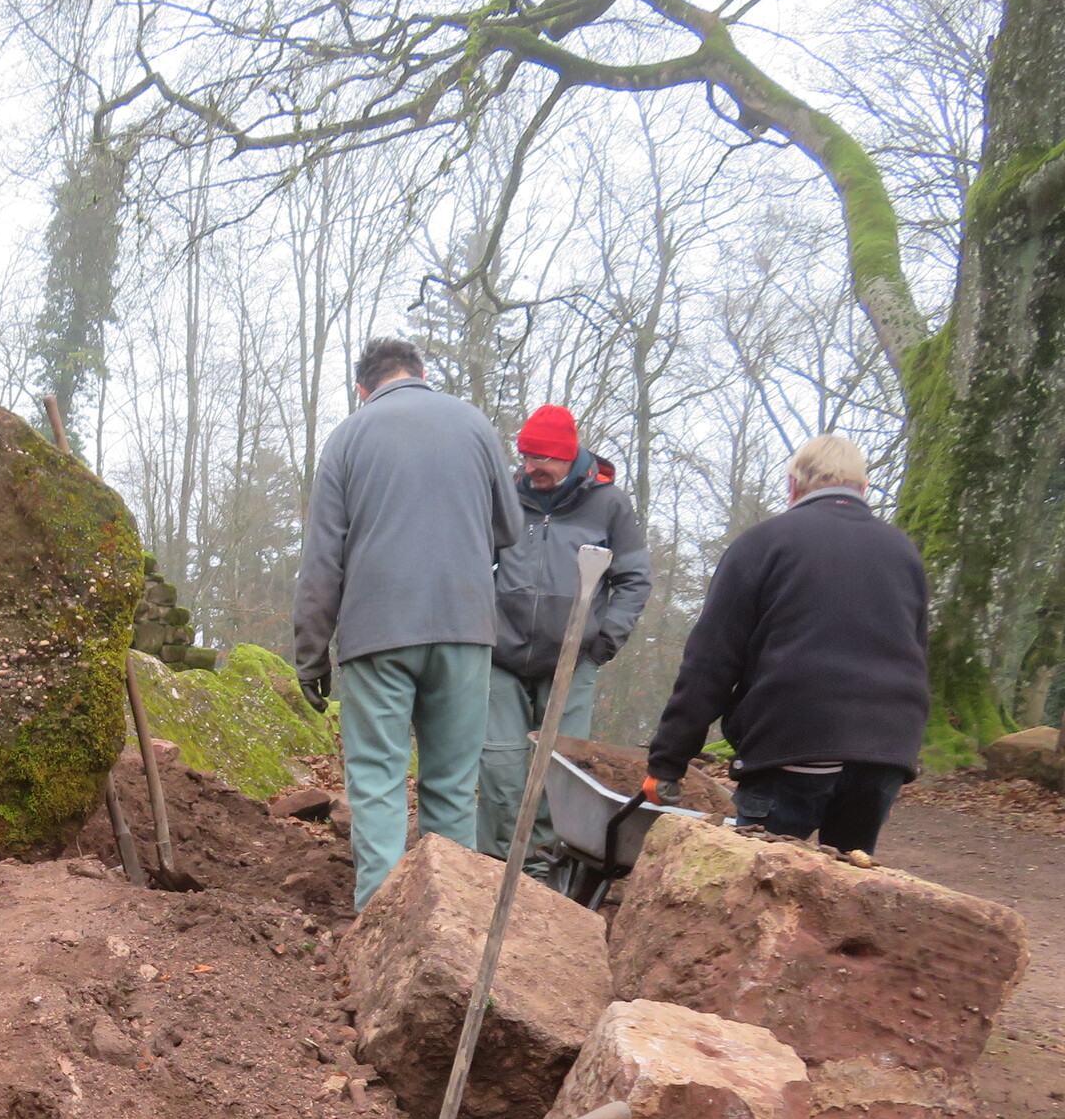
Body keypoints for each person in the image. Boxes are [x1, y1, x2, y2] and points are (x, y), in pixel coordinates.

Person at [293, 335, 521, 912]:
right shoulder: (474, 425)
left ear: (362, 389)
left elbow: (322, 561)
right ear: (420, 372)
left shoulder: (348, 437)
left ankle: (378, 923)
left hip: (377, 631)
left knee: (377, 783)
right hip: (465, 625)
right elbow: (511, 528)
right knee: (453, 784)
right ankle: (451, 924)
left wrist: (311, 657)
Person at [644, 434, 929, 853]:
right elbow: (917, 651)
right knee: (847, 882)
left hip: (794, 742)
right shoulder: (903, 551)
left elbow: (711, 662)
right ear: (863, 487)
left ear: (793, 485)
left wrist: (668, 762)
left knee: (758, 877)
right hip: (885, 750)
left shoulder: (763, 543)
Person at [478, 404, 652, 882]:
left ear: (568, 456)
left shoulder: (609, 504)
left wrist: (603, 642)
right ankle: (491, 871)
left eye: (542, 459)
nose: (531, 468)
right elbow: (473, 562)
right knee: (500, 766)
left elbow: (634, 579)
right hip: (501, 656)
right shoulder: (506, 496)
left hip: (573, 660)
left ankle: (546, 877)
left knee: (560, 773)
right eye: (525, 456)